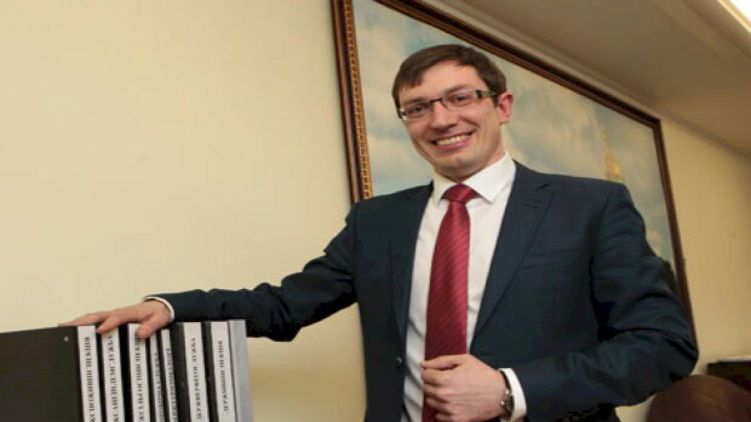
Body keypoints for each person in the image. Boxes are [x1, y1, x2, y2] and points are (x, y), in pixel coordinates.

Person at [64, 44, 697, 421]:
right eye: (418, 108)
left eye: (460, 98)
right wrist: (170, 306)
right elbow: (284, 305)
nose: (440, 119)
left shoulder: (590, 207)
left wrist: (511, 390)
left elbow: (662, 345)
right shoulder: (378, 222)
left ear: (500, 106)